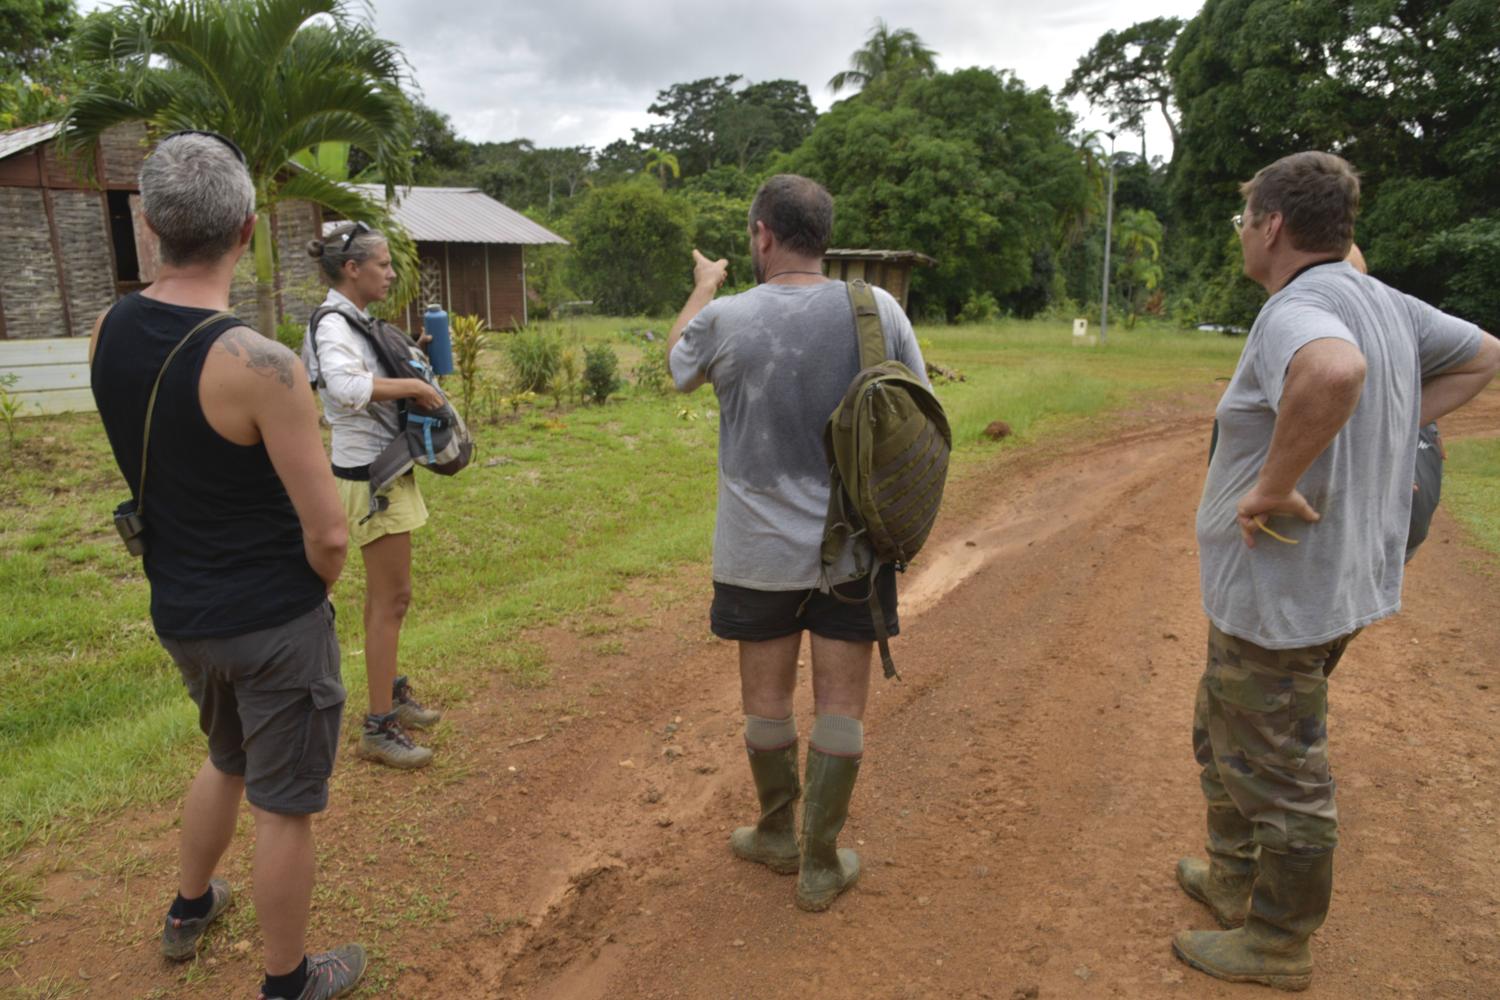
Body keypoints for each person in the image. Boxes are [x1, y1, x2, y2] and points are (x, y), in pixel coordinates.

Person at [1175, 151, 1500, 990]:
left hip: (1283, 589)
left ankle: (1278, 942)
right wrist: (1384, 427)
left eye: (1245, 221)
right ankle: (1232, 878)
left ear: (1272, 225)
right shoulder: (1382, 301)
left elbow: (1334, 370)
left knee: (1281, 768)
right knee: (1224, 732)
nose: (1243, 236)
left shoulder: (1303, 304)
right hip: (1330, 584)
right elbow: (1482, 354)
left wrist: (1272, 485)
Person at [89, 132, 366, 1000]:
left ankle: (189, 905)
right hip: (272, 621)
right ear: (247, 229)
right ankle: (288, 983)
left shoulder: (108, 328)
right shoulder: (264, 368)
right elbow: (328, 534)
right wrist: (313, 593)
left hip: (181, 611)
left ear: (148, 225)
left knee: (225, 754)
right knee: (285, 805)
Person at [667, 174, 929, 911]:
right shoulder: (878, 309)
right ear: (823, 235)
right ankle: (821, 863)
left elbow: (676, 368)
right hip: (856, 547)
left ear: (761, 235)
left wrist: (703, 286)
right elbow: (914, 411)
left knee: (768, 701)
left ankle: (777, 832)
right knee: (841, 704)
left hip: (756, 554)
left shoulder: (725, 318)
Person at [303, 224, 444, 769]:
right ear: (352, 269)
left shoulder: (353, 323)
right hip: (371, 481)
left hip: (382, 469)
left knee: (393, 598)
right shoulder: (334, 325)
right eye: (382, 265)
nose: (391, 273)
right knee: (390, 600)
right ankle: (378, 725)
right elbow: (345, 389)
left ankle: (389, 691)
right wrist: (413, 387)